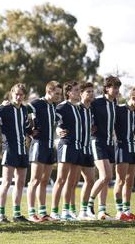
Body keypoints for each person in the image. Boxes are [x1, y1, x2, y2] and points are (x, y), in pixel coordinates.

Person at [0, 83, 31, 222]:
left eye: (21, 95)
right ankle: (1, 214)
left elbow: (26, 127)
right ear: (11, 94)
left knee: (20, 183)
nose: (18, 97)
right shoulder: (6, 109)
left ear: (24, 96)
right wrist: (1, 106)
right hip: (9, 149)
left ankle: (17, 213)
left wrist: (33, 132)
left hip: (22, 150)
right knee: (6, 182)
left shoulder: (25, 110)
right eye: (16, 94)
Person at [26, 81, 61, 222]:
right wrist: (28, 131)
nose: (59, 96)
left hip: (49, 147)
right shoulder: (37, 103)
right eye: (57, 93)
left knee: (45, 181)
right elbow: (21, 111)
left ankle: (43, 213)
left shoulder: (54, 106)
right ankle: (31, 213)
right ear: (49, 91)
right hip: (38, 145)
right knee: (34, 180)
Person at [87, 76, 121, 220]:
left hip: (109, 143)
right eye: (114, 87)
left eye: (118, 87)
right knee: (106, 176)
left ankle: (102, 211)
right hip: (97, 142)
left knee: (107, 179)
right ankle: (88, 205)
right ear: (107, 88)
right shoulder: (96, 102)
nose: (117, 90)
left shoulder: (115, 104)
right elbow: (85, 113)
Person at [51, 81, 82, 221]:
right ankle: (54, 211)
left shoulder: (78, 108)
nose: (79, 92)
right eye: (76, 90)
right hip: (66, 145)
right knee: (61, 179)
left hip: (77, 146)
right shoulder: (61, 106)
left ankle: (66, 211)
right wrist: (58, 130)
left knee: (72, 181)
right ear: (69, 93)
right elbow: (54, 121)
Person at [114, 86, 135, 221]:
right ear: (133, 98)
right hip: (121, 148)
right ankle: (119, 211)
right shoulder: (119, 110)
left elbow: (134, 132)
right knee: (120, 181)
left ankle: (127, 211)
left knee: (130, 182)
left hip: (133, 150)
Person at [76, 82, 96, 220]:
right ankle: (68, 211)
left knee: (90, 180)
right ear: (81, 93)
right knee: (71, 182)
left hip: (88, 149)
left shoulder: (91, 110)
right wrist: (59, 130)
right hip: (76, 149)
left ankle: (84, 211)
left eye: (92, 91)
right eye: (87, 91)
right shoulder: (76, 108)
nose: (91, 94)